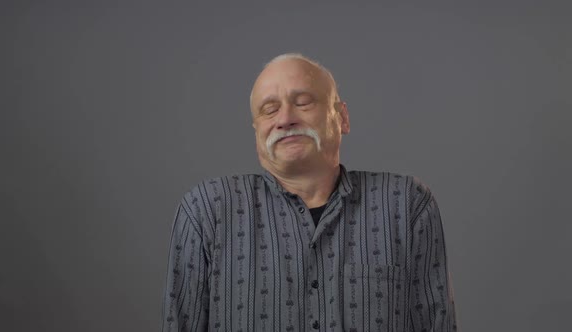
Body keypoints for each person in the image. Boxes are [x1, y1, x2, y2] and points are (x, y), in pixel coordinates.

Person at [162, 53, 457, 331]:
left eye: (303, 102)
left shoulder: (405, 205)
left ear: (342, 117)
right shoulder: (208, 210)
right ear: (256, 131)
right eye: (269, 109)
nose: (285, 119)